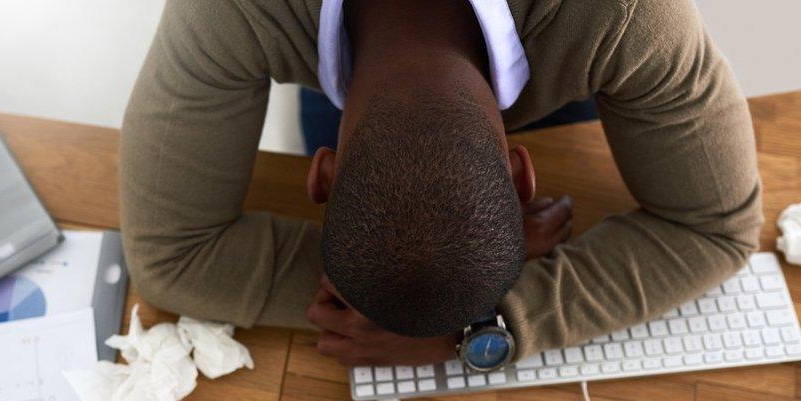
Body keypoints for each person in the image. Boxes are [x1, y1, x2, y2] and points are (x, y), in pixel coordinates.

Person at [120, 0, 762, 371]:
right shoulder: (228, 10)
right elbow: (168, 258)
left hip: (570, 46)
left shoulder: (628, 17)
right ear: (519, 176)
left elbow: (719, 231)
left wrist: (486, 324)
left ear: (322, 175)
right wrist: (416, 307)